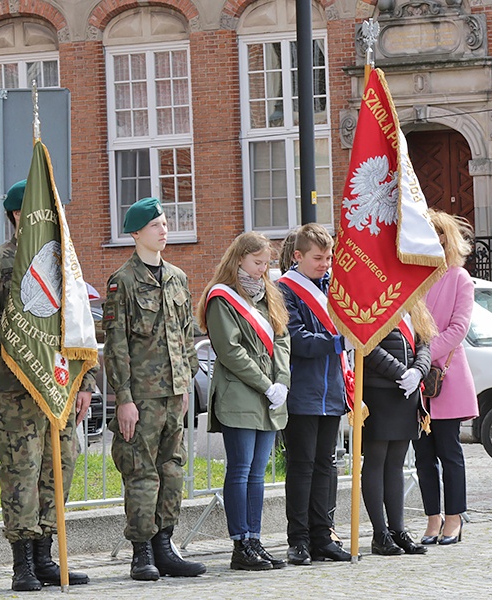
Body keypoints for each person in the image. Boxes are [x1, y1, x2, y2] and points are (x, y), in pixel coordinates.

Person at [0, 180, 93, 591]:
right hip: (15, 388)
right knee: (21, 474)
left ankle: (46, 555)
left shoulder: (63, 262)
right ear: (16, 215)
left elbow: (80, 327)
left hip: (58, 385)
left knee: (57, 469)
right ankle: (22, 562)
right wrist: (18, 329)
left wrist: (86, 383)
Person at [103, 197, 206, 581]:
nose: (164, 230)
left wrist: (185, 386)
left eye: (164, 224)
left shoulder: (177, 277)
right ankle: (141, 551)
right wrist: (124, 399)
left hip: (173, 393)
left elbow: (184, 336)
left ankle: (166, 545)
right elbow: (116, 345)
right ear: (136, 233)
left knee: (172, 469)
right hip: (142, 397)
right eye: (155, 226)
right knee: (142, 473)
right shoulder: (123, 281)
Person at [197, 232, 291, 571]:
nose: (261, 270)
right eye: (256, 263)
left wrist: (281, 381)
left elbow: (282, 339)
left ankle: (255, 539)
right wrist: (266, 384)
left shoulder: (269, 295)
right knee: (240, 469)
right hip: (240, 392)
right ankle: (240, 544)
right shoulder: (222, 298)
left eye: (266, 264)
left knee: (257, 473)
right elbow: (230, 350)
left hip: (268, 395)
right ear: (239, 259)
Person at [276, 223, 351, 565]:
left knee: (327, 466)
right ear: (298, 256)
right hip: (303, 392)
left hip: (331, 390)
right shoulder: (285, 291)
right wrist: (337, 342)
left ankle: (324, 534)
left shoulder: (334, 288)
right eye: (318, 258)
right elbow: (296, 338)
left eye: (328, 257)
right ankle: (299, 538)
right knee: (302, 466)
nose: (325, 264)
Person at [414, 210, 479, 545]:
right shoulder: (413, 277)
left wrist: (423, 357)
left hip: (446, 377)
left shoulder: (459, 278)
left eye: (441, 235)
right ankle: (432, 518)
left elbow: (458, 329)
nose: (436, 242)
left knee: (449, 452)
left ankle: (454, 517)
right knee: (422, 456)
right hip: (415, 381)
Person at [361, 301, 435, 556]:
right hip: (379, 390)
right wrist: (402, 373)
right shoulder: (375, 299)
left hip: (407, 392)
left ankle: (397, 530)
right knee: (376, 460)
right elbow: (367, 345)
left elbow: (424, 344)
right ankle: (379, 533)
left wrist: (418, 371)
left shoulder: (413, 303)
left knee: (396, 463)